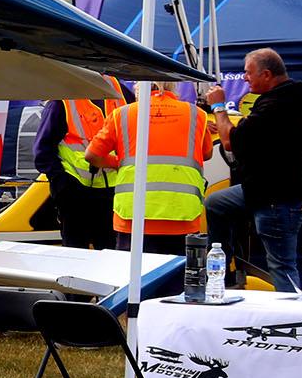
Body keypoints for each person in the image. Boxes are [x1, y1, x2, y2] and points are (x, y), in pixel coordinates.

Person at [202, 48, 302, 292]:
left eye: (248, 73)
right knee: (216, 203)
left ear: (266, 74)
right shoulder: (288, 99)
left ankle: (295, 320)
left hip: (277, 197)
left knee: (282, 266)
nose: (244, 78)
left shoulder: (277, 104)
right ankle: (226, 268)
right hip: (261, 190)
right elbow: (254, 135)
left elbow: (231, 141)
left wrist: (219, 107)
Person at [87, 82, 215, 257]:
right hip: (181, 215)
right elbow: (206, 153)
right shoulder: (196, 114)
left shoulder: (122, 114)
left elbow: (92, 155)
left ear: (139, 89)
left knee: (133, 280)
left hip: (133, 217)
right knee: (178, 280)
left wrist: (119, 163)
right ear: (172, 88)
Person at [32, 77, 126, 250]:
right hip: (75, 190)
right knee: (76, 253)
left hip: (113, 190)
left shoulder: (119, 90)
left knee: (111, 256)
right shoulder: (62, 100)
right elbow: (42, 152)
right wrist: (62, 181)